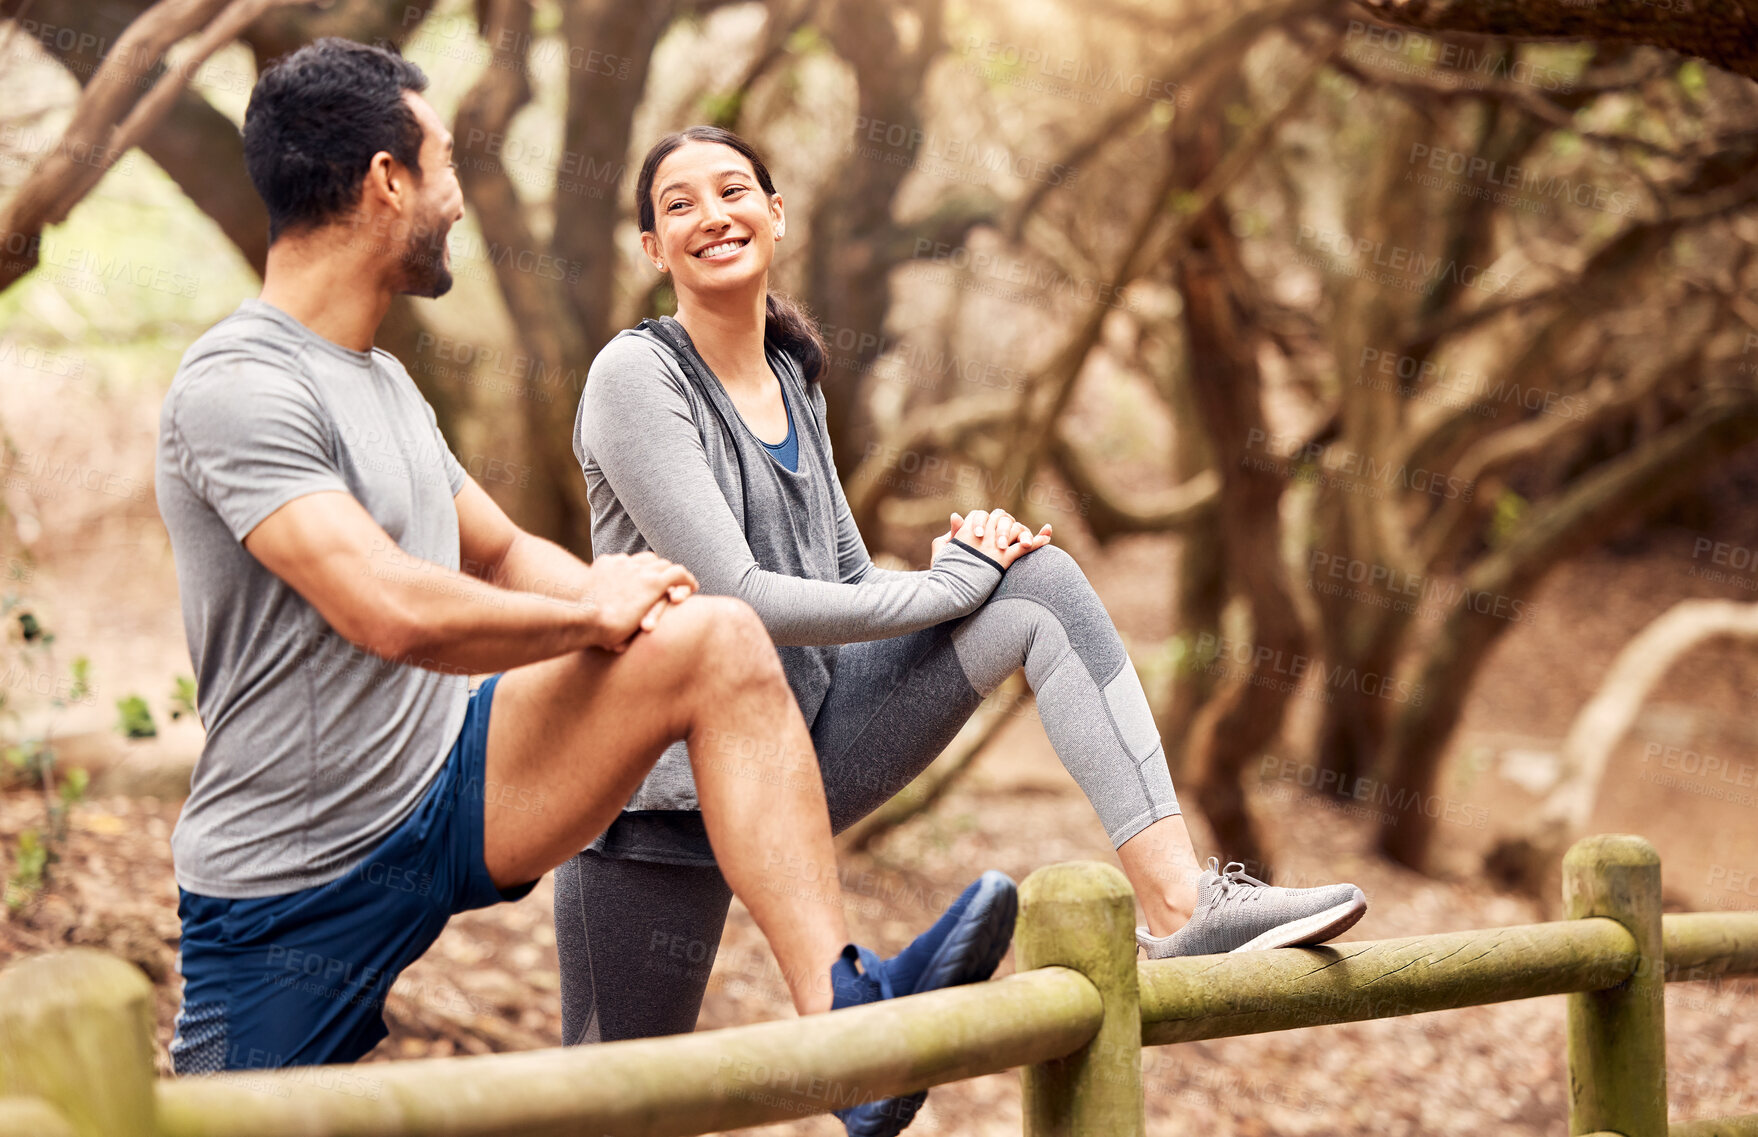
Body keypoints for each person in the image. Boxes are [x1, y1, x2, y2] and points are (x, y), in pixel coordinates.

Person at [156, 41, 1018, 1135]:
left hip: (449, 789)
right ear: (386, 184)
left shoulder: (384, 385)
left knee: (718, 639)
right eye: (446, 166)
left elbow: (508, 554)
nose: (461, 202)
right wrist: (589, 612)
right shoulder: (240, 386)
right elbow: (389, 609)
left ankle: (850, 1026)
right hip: (288, 885)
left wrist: (650, 619)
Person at [557, 124, 1371, 1048]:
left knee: (1039, 584)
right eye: (680, 204)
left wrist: (977, 563)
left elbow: (851, 584)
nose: (713, 215)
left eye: (734, 190)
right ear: (650, 248)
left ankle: (1182, 907)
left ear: (776, 215)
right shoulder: (637, 375)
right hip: (661, 796)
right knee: (611, 1090)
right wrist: (952, 585)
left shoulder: (795, 374)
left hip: (798, 756)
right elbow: (744, 599)